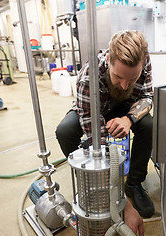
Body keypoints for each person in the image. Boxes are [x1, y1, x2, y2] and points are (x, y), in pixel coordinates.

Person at [55, 30, 155, 221]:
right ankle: (89, 181)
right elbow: (96, 140)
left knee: (148, 124)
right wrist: (118, 199)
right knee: (65, 130)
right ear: (109, 59)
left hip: (127, 108)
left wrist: (128, 119)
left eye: (132, 79)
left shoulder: (144, 60)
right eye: (118, 77)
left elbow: (147, 97)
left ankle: (134, 183)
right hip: (93, 109)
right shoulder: (87, 77)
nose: (125, 86)